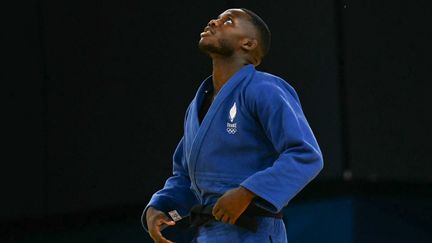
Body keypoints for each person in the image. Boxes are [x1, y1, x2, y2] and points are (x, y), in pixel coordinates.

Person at [142, 8, 323, 243]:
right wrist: (162, 207)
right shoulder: (197, 106)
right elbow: (186, 176)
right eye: (216, 18)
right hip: (207, 234)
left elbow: (306, 155)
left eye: (228, 21)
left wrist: (248, 192)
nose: (213, 22)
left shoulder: (264, 89)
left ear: (248, 43)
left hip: (253, 232)